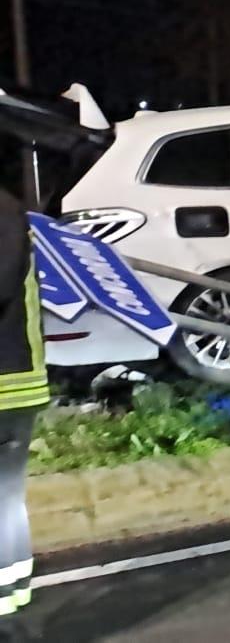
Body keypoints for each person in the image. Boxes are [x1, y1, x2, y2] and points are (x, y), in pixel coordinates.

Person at [0, 189, 46, 616]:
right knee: (4, 498)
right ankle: (10, 593)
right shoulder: (9, 209)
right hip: (17, 379)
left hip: (6, 382)